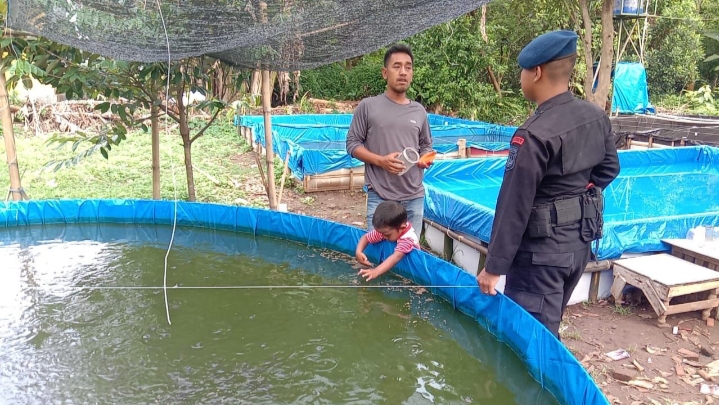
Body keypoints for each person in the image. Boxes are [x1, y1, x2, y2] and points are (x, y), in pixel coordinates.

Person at [475, 30, 621, 339]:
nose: (521, 78)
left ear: (537, 72)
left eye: (523, 71)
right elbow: (609, 169)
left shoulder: (533, 134)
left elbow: (514, 205)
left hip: (540, 257)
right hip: (578, 246)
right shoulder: (595, 116)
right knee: (547, 326)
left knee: (532, 341)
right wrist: (571, 200)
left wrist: (493, 267)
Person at [346, 43, 434, 233]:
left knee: (409, 257)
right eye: (397, 66)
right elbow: (352, 144)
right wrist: (381, 161)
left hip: (413, 197)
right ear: (385, 73)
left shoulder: (419, 111)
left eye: (408, 67)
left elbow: (426, 145)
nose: (403, 72)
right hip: (380, 196)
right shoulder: (368, 106)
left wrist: (426, 158)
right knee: (376, 255)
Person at [355, 201, 420, 282]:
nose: (383, 236)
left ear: (402, 228)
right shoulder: (387, 230)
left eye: (387, 235)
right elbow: (366, 237)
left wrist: (376, 271)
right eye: (381, 233)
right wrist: (358, 252)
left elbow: (396, 257)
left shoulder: (408, 239)